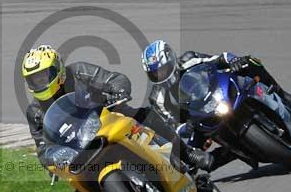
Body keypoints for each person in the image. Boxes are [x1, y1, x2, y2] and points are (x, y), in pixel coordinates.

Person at [21, 44, 220, 173]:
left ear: (58, 70)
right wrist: (53, 158)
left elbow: (114, 79)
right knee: (76, 177)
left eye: (43, 76)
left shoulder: (79, 71)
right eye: (34, 79)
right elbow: (42, 148)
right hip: (80, 145)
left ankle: (187, 154)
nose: (40, 83)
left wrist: (118, 92)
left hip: (108, 116)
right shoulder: (35, 111)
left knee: (144, 114)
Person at [141, 40, 291, 168]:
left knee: (251, 62)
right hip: (197, 120)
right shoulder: (158, 97)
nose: (160, 75)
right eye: (155, 73)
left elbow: (220, 59)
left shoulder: (189, 59)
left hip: (216, 96)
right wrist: (185, 127)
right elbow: (168, 125)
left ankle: (285, 97)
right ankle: (224, 158)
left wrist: (235, 61)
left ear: (170, 58)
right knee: (194, 160)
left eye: (162, 69)